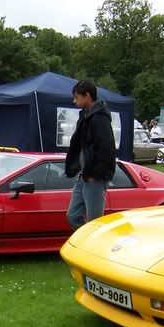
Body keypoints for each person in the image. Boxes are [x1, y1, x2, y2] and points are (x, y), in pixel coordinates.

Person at [65, 79, 116, 229]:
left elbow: (106, 149)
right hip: (83, 175)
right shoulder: (85, 115)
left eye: (77, 97)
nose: (75, 101)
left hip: (95, 178)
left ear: (87, 96)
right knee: (72, 216)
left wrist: (95, 174)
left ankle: (93, 248)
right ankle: (86, 242)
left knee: (94, 223)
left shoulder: (100, 118)